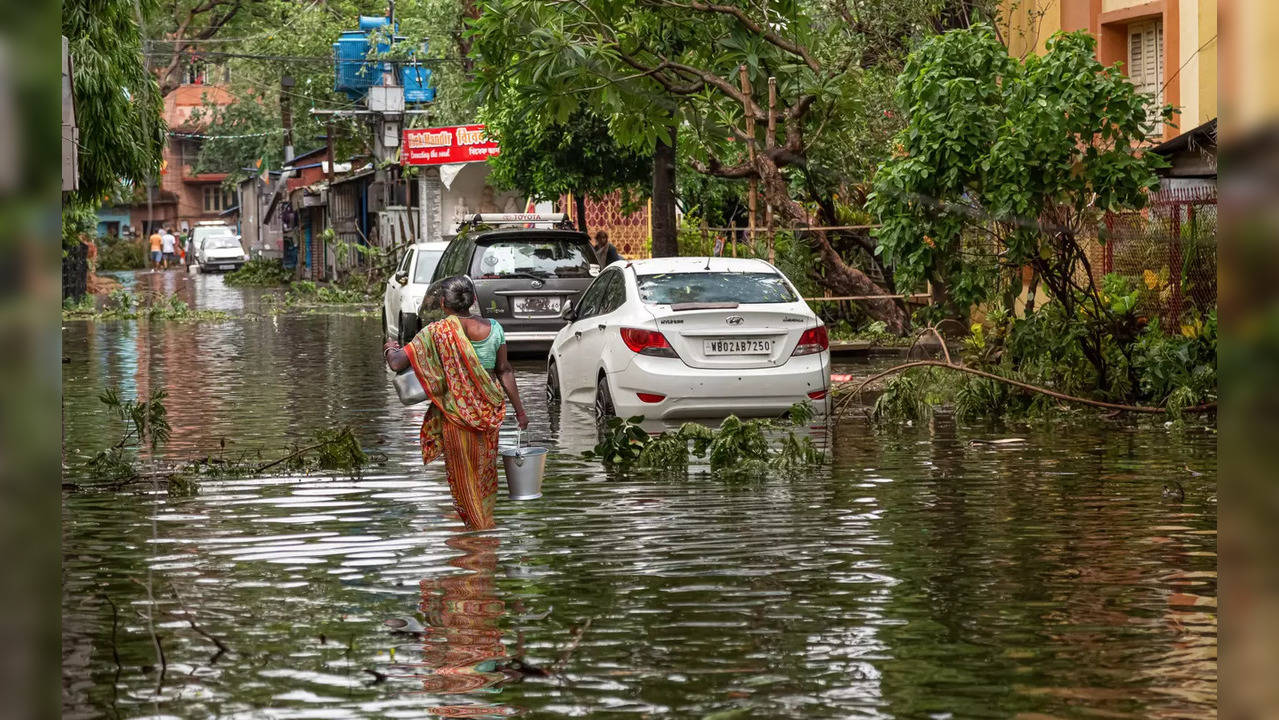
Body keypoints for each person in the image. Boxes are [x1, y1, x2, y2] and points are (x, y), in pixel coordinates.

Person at [383, 276, 529, 530]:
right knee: (484, 475)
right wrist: (520, 412)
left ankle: (476, 539)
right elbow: (504, 370)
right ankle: (484, 531)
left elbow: (397, 363)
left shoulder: (437, 332)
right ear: (473, 300)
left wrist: (389, 348)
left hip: (456, 418)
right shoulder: (494, 328)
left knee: (464, 480)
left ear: (443, 303)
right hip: (489, 416)